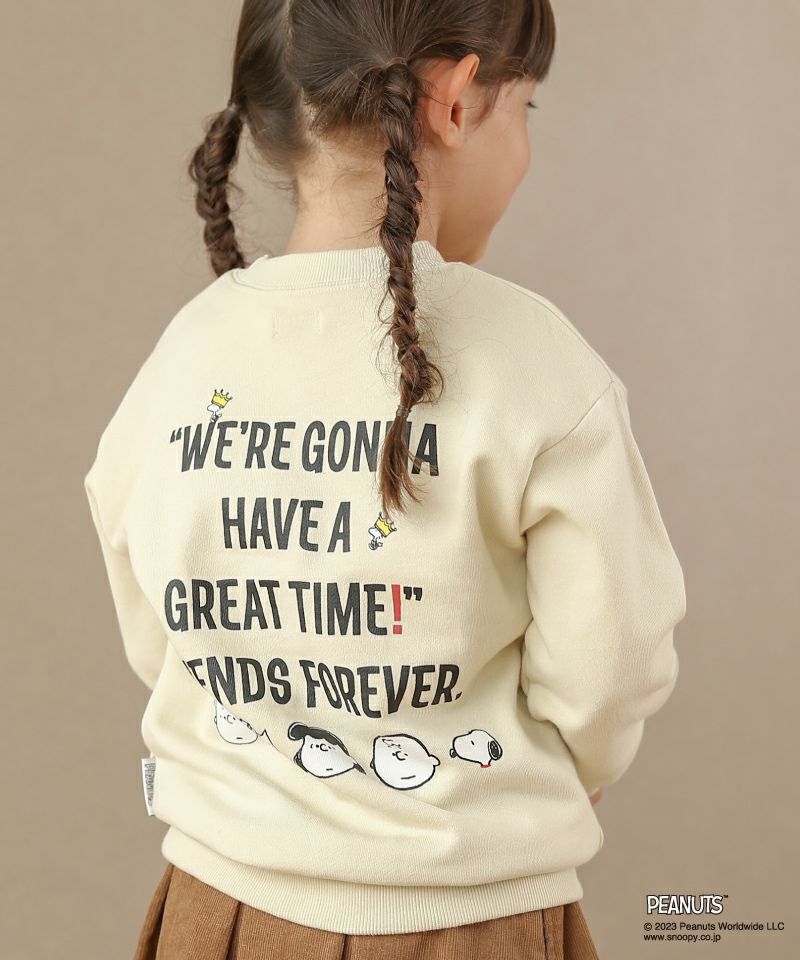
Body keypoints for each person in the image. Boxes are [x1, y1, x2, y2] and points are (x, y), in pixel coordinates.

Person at [83, 1, 687, 958]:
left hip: (218, 916)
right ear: (454, 100)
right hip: (470, 922)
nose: (527, 141)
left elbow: (160, 634)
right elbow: (609, 663)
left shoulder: (179, 361)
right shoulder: (539, 363)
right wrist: (580, 761)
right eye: (526, 106)